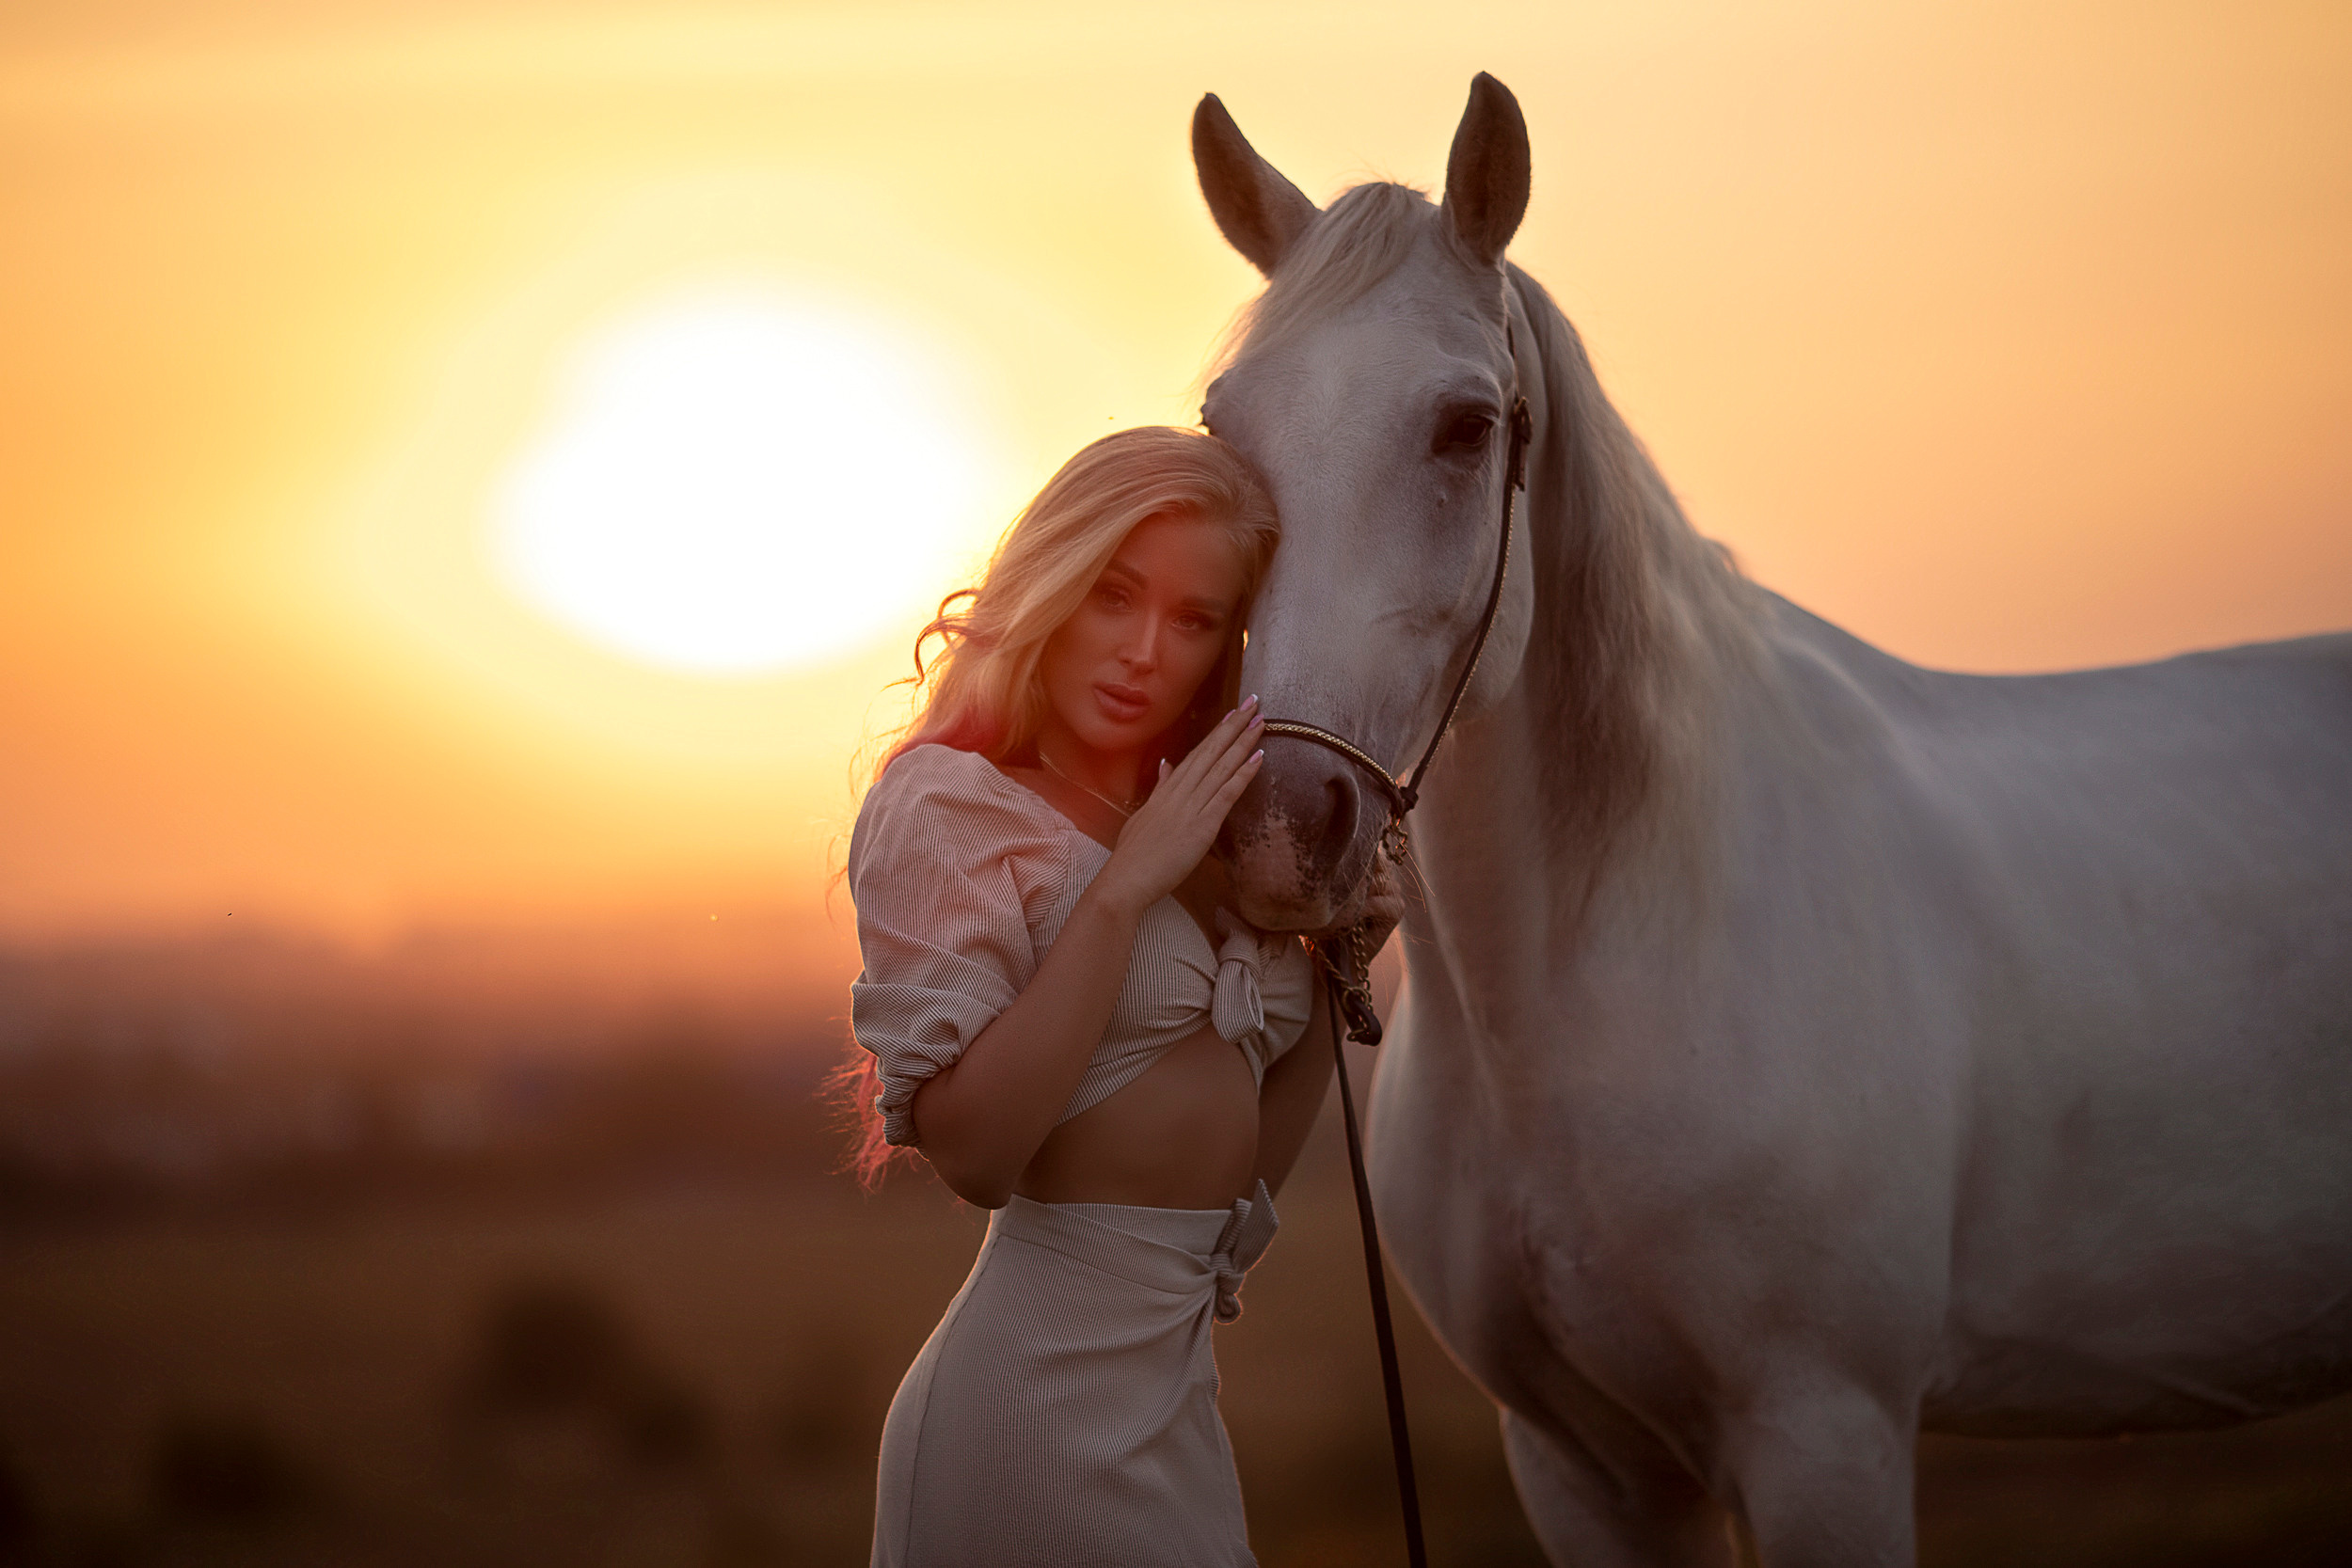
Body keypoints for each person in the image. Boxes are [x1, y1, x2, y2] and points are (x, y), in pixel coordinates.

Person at [842, 425, 1391, 1567]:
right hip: (1021, 1418)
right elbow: (978, 1155)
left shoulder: (1218, 844)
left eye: (1194, 620)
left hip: (1176, 1407)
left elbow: (1234, 1190)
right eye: (1113, 596)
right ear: (1051, 587)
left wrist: (1345, 948)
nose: (1144, 651)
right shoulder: (957, 807)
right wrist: (1121, 889)